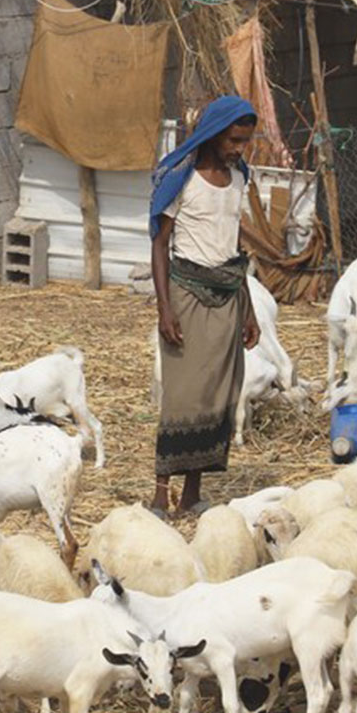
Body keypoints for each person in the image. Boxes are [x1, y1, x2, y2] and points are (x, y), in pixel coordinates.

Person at [148, 96, 261, 517]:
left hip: (228, 296)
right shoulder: (182, 180)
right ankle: (161, 494)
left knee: (216, 396)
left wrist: (248, 310)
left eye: (245, 142)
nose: (238, 149)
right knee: (182, 396)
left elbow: (234, 249)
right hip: (187, 295)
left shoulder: (237, 180)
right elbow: (160, 246)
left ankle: (191, 494)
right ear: (214, 134)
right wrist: (164, 308)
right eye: (233, 140)